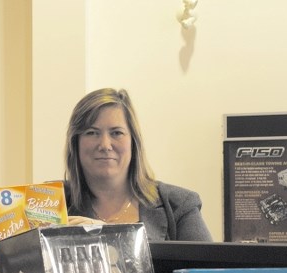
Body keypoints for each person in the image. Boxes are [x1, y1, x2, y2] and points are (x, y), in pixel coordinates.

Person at [64, 88, 212, 241]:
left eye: (116, 133)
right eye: (92, 133)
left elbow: (207, 264)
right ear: (76, 143)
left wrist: (107, 235)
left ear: (133, 142)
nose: (105, 145)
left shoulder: (179, 205)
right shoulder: (54, 204)